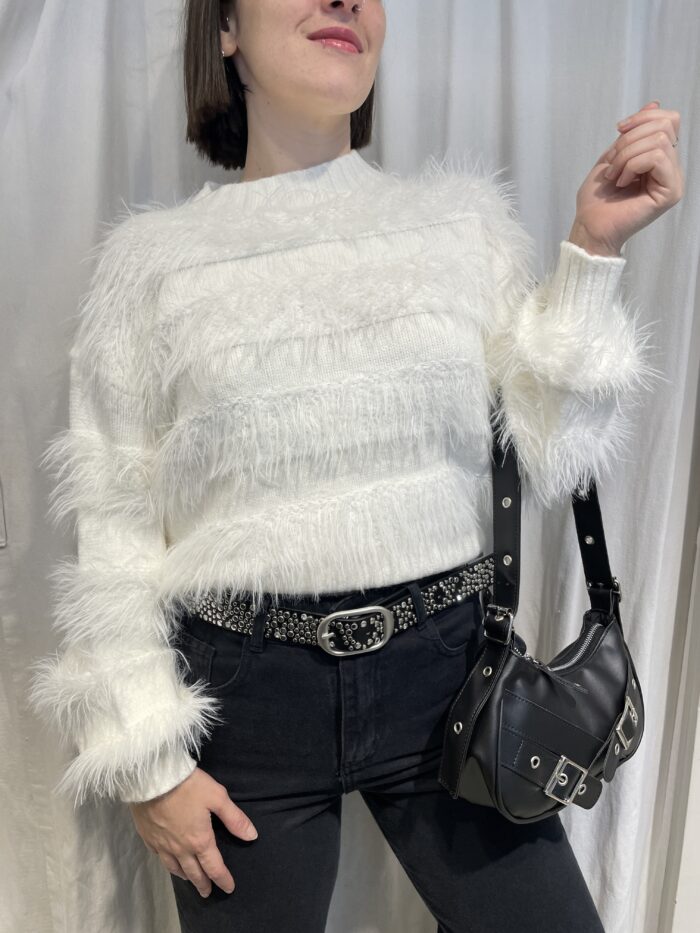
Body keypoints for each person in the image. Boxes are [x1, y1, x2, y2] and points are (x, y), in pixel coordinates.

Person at [28, 0, 683, 930]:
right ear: (225, 30)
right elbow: (115, 530)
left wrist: (593, 248)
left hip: (450, 678)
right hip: (244, 703)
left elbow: (556, 449)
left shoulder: (460, 227)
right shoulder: (149, 266)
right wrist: (148, 761)